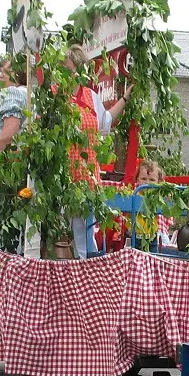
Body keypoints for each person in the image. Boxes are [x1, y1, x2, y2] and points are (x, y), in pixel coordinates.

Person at [63, 43, 133, 258]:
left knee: (84, 233)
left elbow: (105, 121)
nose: (64, 74)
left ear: (79, 70)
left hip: (86, 177)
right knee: (61, 234)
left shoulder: (89, 96)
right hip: (62, 176)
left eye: (69, 69)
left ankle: (86, 279)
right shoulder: (55, 96)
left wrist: (125, 98)